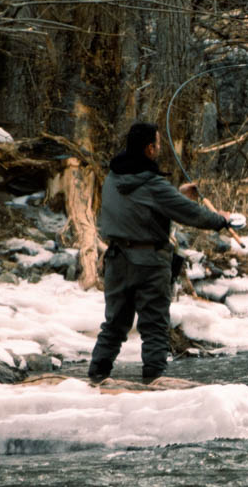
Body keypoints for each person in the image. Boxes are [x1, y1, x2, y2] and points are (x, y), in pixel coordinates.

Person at [87, 121, 231, 384]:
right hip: (150, 264)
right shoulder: (153, 185)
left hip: (117, 261)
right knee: (154, 327)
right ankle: (155, 384)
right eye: (158, 143)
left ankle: (95, 378)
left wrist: (178, 194)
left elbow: (145, 204)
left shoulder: (112, 178)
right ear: (149, 149)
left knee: (114, 325)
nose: (161, 147)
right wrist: (222, 220)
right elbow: (191, 214)